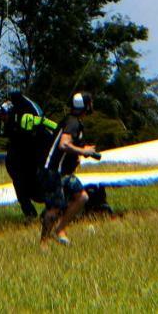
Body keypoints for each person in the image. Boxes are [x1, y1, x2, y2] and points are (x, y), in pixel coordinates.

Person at [39, 92, 101, 246]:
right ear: (86, 106)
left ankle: (59, 230)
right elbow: (64, 144)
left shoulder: (73, 122)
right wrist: (83, 151)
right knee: (54, 209)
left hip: (64, 173)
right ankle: (43, 243)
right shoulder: (73, 123)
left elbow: (71, 145)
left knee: (82, 197)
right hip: (53, 172)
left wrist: (85, 149)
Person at [0, 92, 58, 218]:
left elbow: (50, 126)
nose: (2, 118)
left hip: (39, 173)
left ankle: (50, 210)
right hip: (26, 176)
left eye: (4, 115)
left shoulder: (28, 123)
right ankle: (30, 214)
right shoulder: (13, 130)